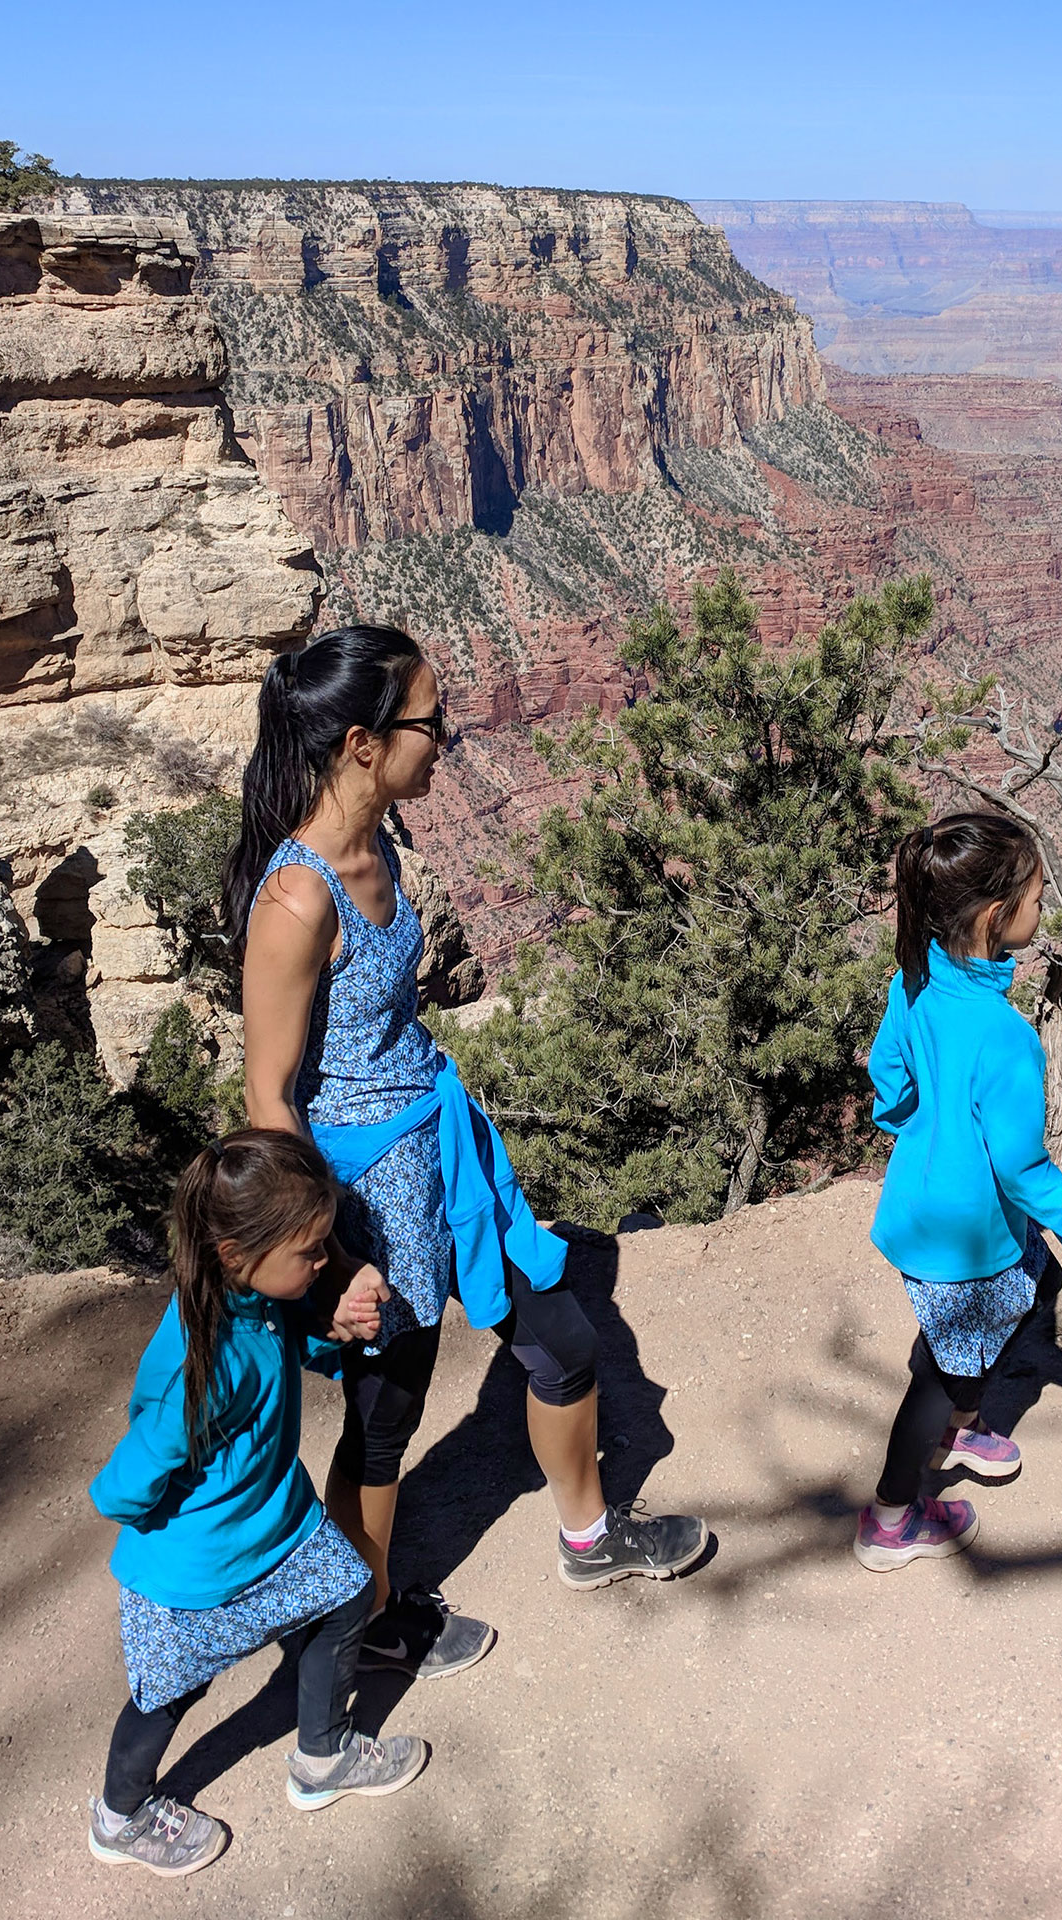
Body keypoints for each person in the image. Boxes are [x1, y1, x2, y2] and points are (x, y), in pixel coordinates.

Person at [224, 624, 706, 1678]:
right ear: (361, 743)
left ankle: (589, 1537)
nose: (448, 739)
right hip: (365, 1195)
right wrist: (337, 1258)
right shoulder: (296, 897)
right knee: (385, 1420)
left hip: (443, 1152)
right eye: (431, 722)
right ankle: (366, 1619)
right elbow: (269, 1099)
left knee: (565, 1341)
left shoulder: (381, 839)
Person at [86, 1130, 427, 1878]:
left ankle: (323, 1756)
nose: (322, 1261)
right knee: (167, 1692)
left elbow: (275, 1353)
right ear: (239, 1254)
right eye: (310, 1252)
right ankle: (119, 1816)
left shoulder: (247, 1300)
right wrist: (137, 1515)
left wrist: (331, 1335)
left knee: (345, 1597)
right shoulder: (200, 1370)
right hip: (197, 1572)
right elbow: (124, 1481)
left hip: (278, 1531)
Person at [857, 812, 1062, 1572]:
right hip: (967, 1239)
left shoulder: (911, 983)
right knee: (937, 1373)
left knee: (1032, 1285)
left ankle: (965, 1419)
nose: (1044, 911)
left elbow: (888, 1082)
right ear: (992, 917)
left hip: (920, 1214)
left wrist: (924, 1126)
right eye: (1038, 899)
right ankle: (889, 1517)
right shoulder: (1004, 1035)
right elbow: (1021, 1171)